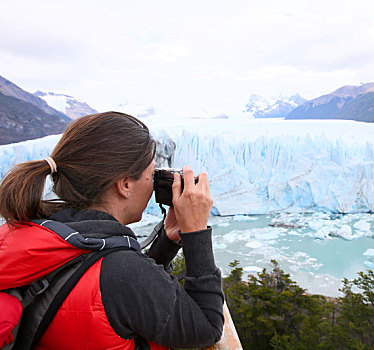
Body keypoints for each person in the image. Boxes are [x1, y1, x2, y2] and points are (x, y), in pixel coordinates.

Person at [0, 112, 224, 349]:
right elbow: (207, 327)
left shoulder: (41, 233)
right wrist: (196, 233)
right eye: (152, 174)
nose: (153, 185)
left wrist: (167, 242)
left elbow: (118, 291)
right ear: (125, 184)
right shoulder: (120, 269)